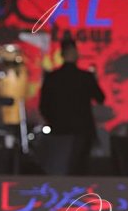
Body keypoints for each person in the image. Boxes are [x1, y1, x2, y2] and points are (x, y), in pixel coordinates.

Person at [39, 39, 106, 175]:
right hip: (82, 132)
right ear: (75, 53)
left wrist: (53, 122)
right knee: (80, 171)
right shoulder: (85, 77)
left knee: (59, 168)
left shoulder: (52, 77)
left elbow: (43, 106)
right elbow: (100, 98)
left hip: (59, 131)